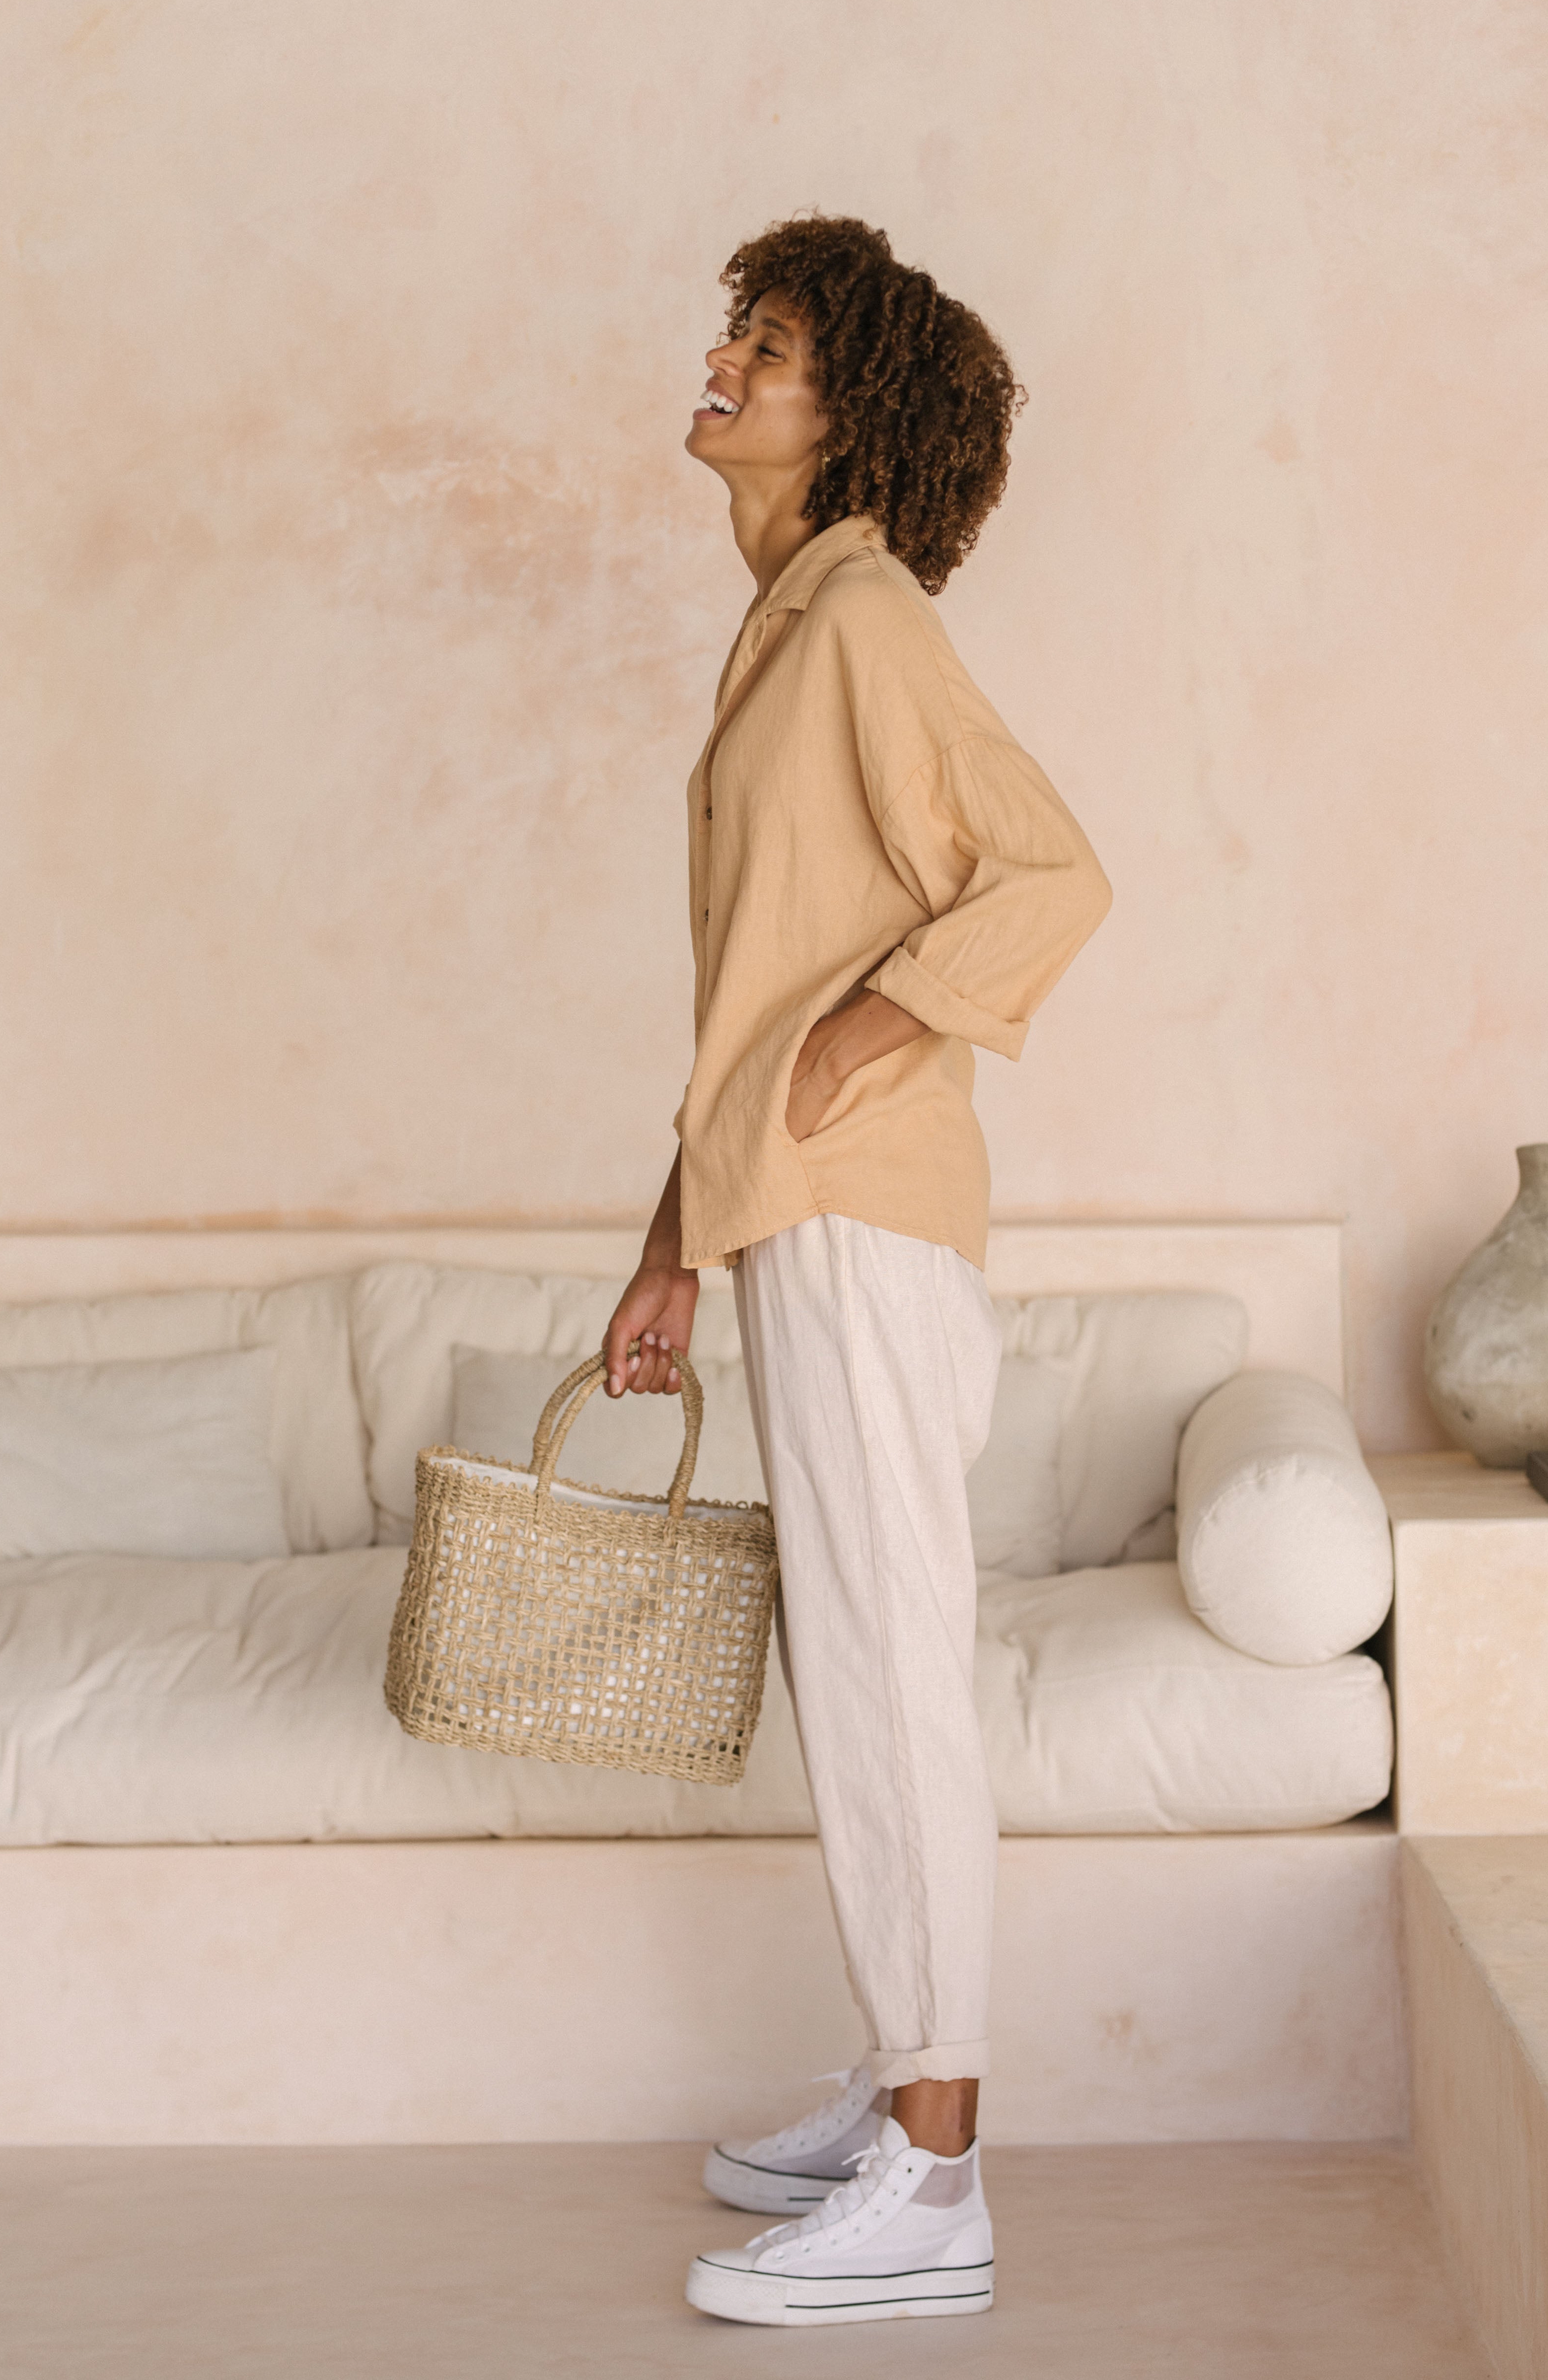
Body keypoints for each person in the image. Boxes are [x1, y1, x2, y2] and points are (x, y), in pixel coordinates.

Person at [599, 214, 1112, 2329]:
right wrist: (671, 1247)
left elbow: (1050, 874)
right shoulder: (792, 627)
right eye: (739, 328)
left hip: (863, 1215)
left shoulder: (865, 620)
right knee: (861, 1667)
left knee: (894, 1671)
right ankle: (904, 2083)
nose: (727, 358)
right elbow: (758, 985)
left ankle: (937, 2172)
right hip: (796, 1212)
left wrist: (868, 1036)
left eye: (777, 343)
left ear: (852, 411)